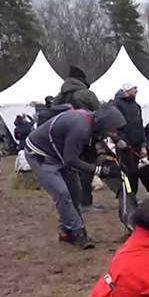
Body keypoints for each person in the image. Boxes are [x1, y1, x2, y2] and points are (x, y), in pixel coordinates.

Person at [25, 105, 126, 249]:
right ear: (103, 124)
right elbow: (71, 160)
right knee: (62, 193)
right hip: (39, 154)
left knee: (75, 192)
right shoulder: (81, 128)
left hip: (58, 154)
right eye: (112, 129)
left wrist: (110, 162)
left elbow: (89, 153)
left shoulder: (91, 124)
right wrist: (100, 170)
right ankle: (78, 233)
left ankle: (67, 231)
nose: (113, 133)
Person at [56, 65, 102, 213]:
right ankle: (86, 202)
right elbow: (100, 115)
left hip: (64, 139)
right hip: (86, 137)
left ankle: (72, 202)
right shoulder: (86, 94)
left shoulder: (59, 97)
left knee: (69, 170)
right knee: (87, 169)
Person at [111, 82, 146, 196]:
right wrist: (118, 139)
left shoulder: (137, 106)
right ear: (127, 90)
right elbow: (112, 125)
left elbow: (140, 126)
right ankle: (127, 196)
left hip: (136, 145)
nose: (137, 90)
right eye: (134, 88)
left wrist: (143, 144)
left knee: (134, 173)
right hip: (124, 145)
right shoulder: (117, 104)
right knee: (127, 172)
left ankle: (133, 196)